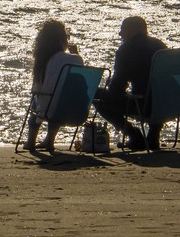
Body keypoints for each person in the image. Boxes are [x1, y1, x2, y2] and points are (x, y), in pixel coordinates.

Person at [94, 16, 167, 151]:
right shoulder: (160, 46)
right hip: (169, 103)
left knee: (96, 95)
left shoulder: (126, 50)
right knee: (155, 92)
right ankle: (153, 135)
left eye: (123, 29)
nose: (120, 34)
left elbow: (117, 88)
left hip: (144, 105)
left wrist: (111, 84)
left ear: (133, 30)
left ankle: (133, 134)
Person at [24, 19, 83, 153]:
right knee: (60, 96)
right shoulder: (76, 59)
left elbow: (38, 89)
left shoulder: (44, 61)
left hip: (48, 109)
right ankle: (49, 141)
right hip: (76, 110)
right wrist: (76, 53)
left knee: (38, 99)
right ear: (63, 40)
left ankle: (30, 142)